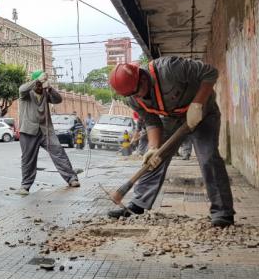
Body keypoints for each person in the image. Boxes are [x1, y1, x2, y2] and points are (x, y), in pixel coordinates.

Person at [107, 56, 235, 227]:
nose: (137, 96)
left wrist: (197, 104)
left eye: (137, 91)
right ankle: (138, 205)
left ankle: (223, 213)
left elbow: (210, 73)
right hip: (173, 119)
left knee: (208, 157)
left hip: (204, 114)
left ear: (143, 77)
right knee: (154, 159)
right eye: (132, 95)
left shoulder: (170, 68)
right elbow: (152, 122)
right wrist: (153, 148)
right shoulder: (133, 98)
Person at [15, 71, 80, 195]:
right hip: (28, 131)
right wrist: (38, 80)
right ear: (34, 83)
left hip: (46, 130)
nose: (40, 87)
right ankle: (25, 186)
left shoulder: (45, 93)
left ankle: (72, 178)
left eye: (42, 85)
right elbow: (22, 89)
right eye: (38, 85)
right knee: (28, 160)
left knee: (59, 153)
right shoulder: (26, 94)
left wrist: (50, 88)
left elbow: (58, 100)